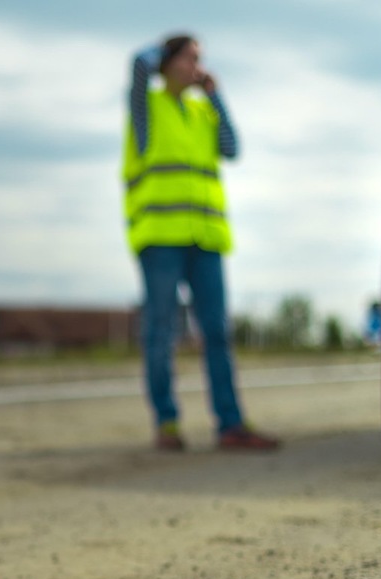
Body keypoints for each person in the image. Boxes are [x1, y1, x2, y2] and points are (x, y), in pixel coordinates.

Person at [122, 33, 279, 452]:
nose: (198, 66)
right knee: (161, 331)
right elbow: (137, 65)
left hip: (206, 238)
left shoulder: (201, 110)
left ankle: (230, 425)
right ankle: (167, 423)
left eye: (200, 59)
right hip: (160, 238)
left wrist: (216, 97)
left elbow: (231, 149)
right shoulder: (147, 108)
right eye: (190, 58)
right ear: (167, 63)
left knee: (217, 333)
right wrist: (163, 53)